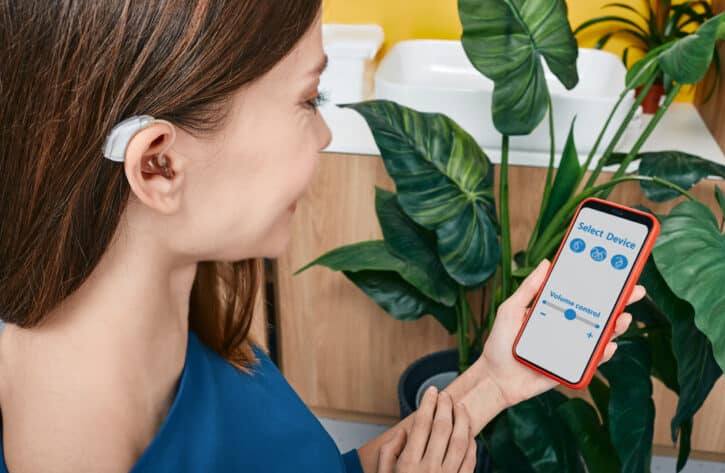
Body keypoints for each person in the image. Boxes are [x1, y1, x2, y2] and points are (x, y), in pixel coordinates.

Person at [0, 1, 643, 472]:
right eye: (312, 99)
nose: (327, 133)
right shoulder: (74, 441)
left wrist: (494, 383)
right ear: (159, 164)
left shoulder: (177, 305)